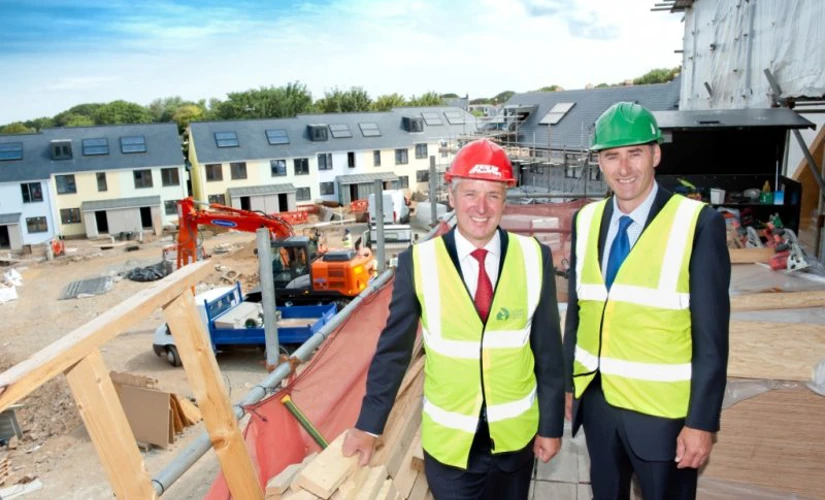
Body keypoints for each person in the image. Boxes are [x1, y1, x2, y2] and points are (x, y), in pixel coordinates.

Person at [342, 138, 566, 500]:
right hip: (450, 449)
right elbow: (394, 351)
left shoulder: (532, 256)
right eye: (470, 194)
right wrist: (369, 426)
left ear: (505, 199)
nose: (481, 207)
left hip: (514, 441)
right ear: (451, 195)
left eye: (493, 195)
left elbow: (548, 353)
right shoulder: (419, 262)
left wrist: (551, 426)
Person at [563, 102, 731, 499]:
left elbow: (712, 339)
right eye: (611, 156)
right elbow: (579, 310)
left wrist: (701, 423)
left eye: (635, 153)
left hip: (663, 417)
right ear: (599, 163)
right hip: (599, 405)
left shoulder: (697, 223)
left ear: (656, 154)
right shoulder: (586, 220)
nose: (624, 168)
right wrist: (572, 386)